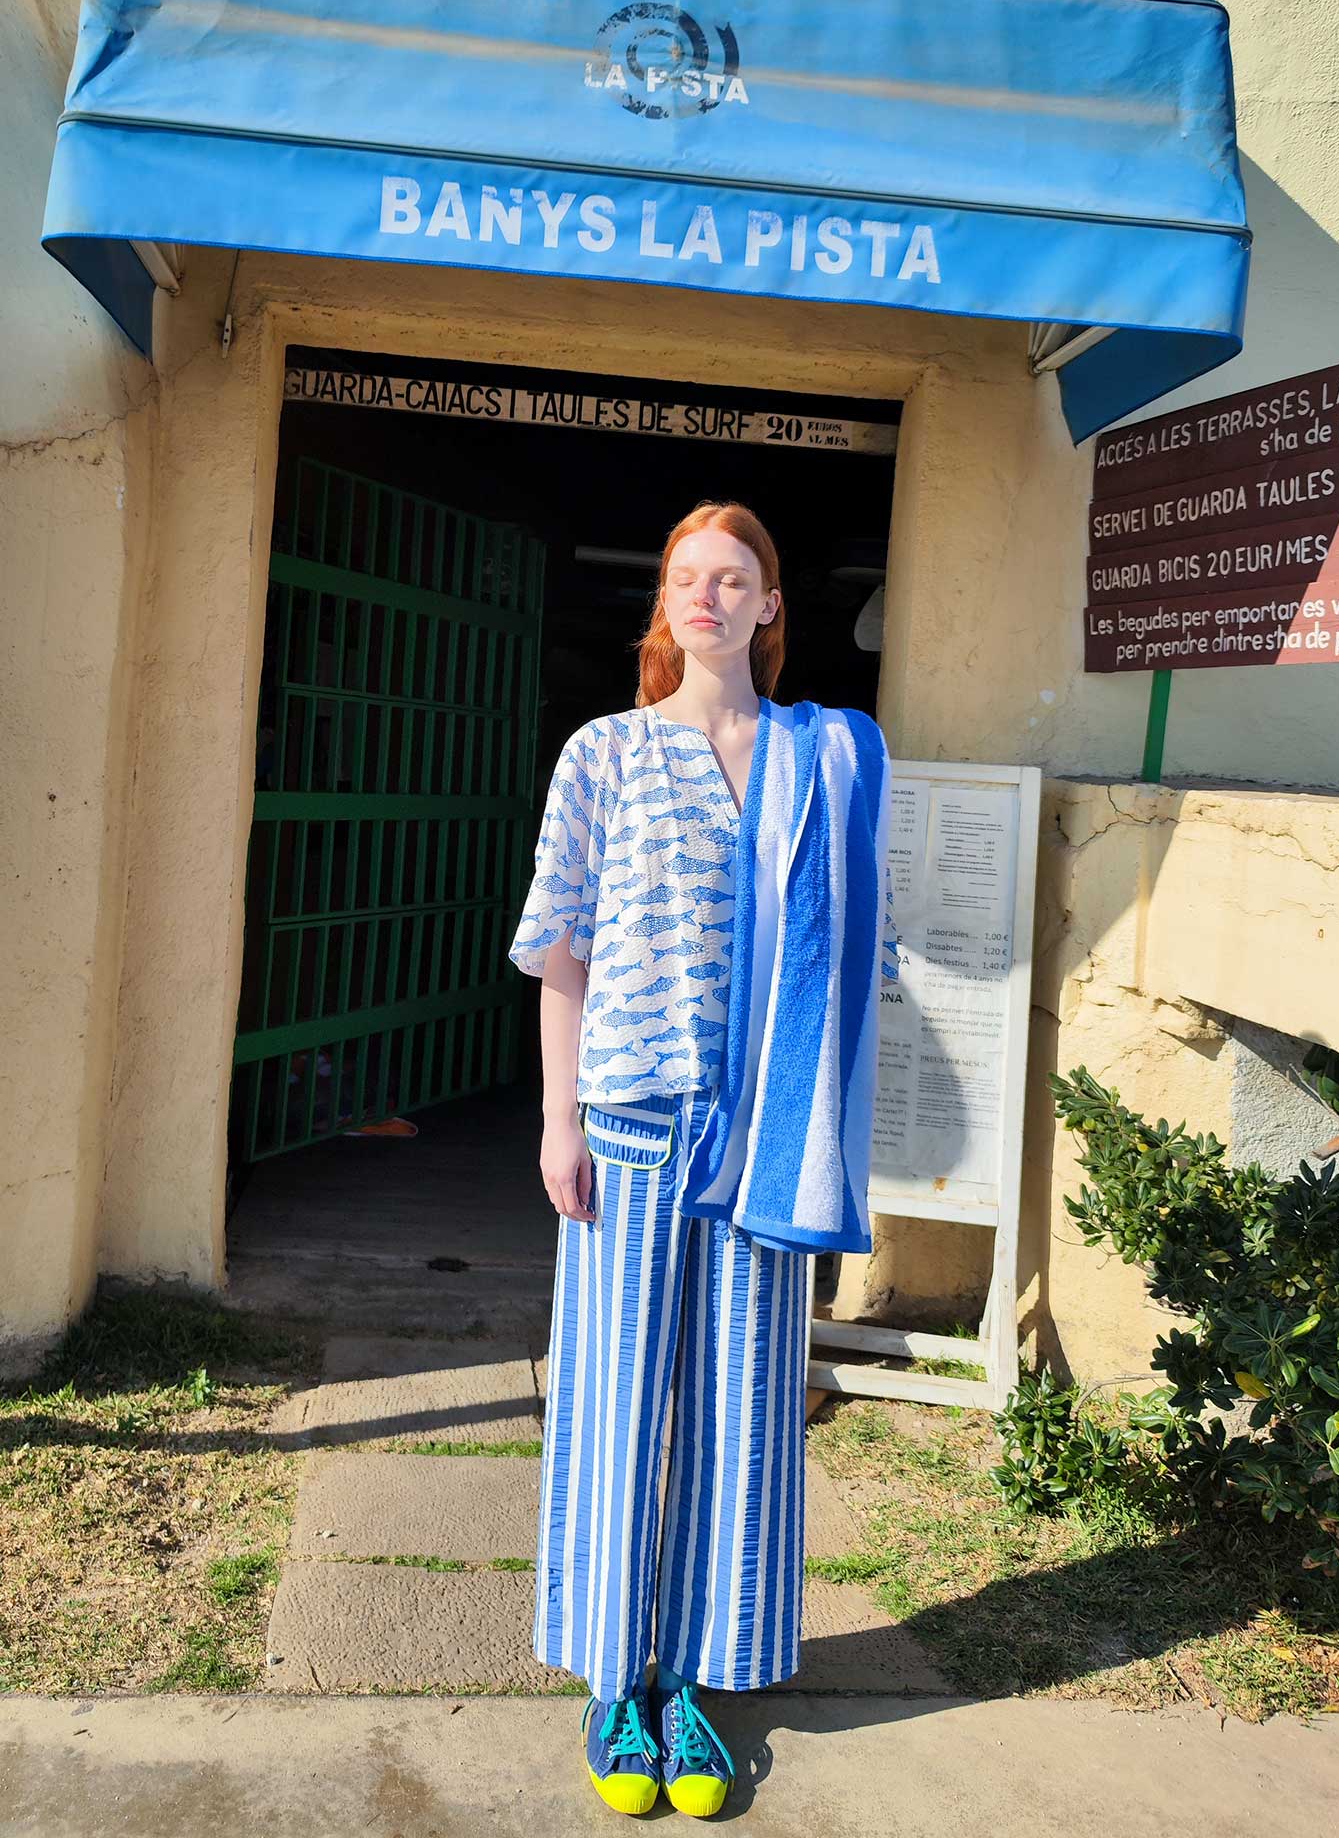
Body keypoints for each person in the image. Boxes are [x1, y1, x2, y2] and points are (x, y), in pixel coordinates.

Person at [507, 501, 896, 1818]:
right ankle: (618, 1675)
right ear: (665, 605)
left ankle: (700, 1687)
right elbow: (558, 953)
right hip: (629, 1122)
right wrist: (559, 1119)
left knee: (742, 1417)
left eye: (736, 579)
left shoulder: (822, 755)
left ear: (774, 606)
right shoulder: (604, 755)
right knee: (618, 1404)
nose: (711, 598)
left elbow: (853, 950)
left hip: (768, 1137)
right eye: (690, 579)